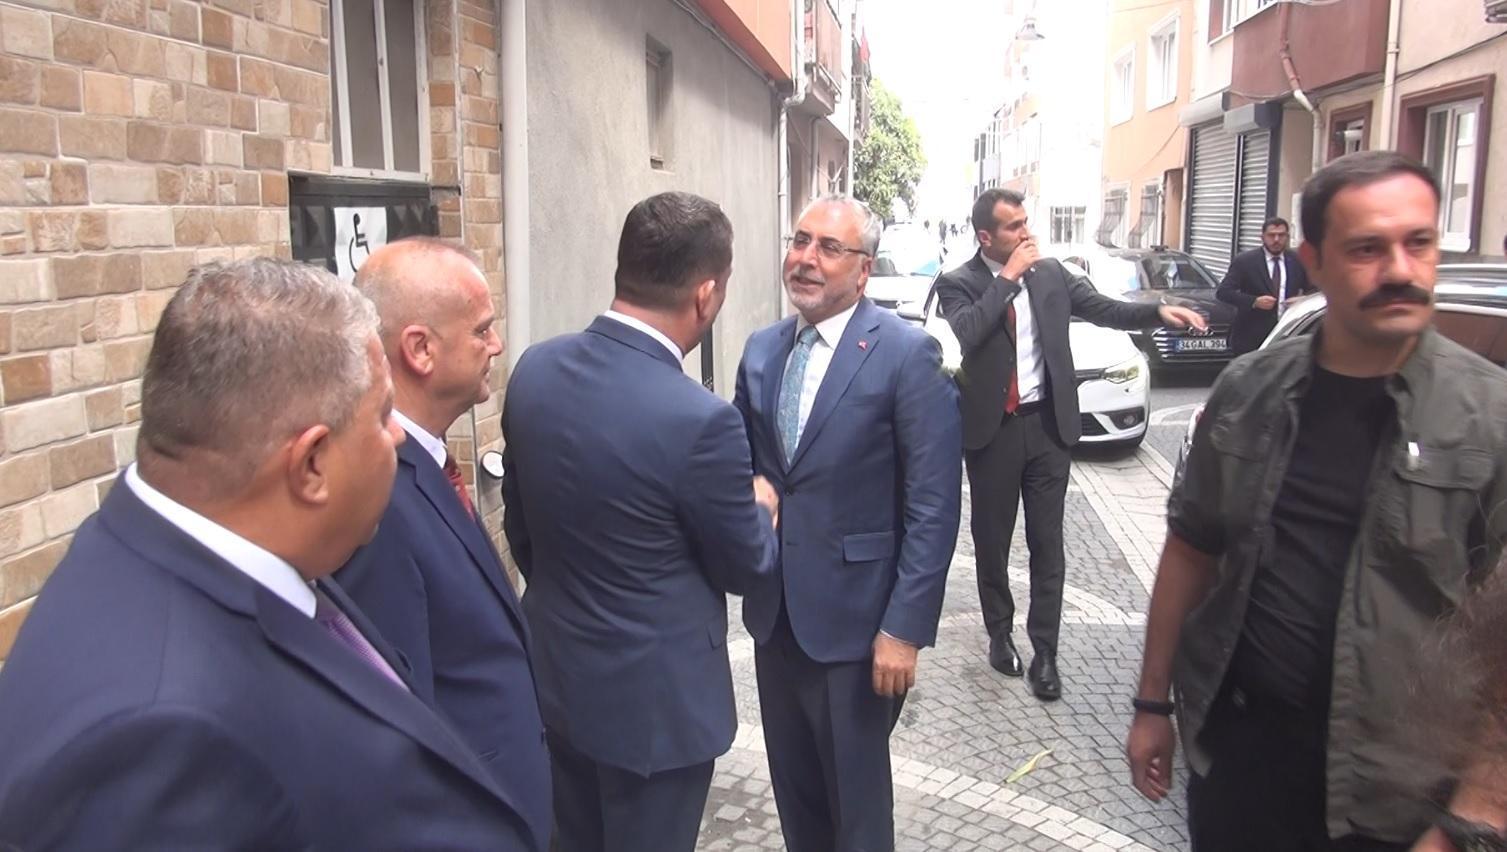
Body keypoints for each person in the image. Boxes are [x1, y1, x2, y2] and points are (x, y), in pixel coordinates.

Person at [0, 258, 533, 848]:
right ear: (311, 465)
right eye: (382, 415)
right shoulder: (157, 738)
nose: (399, 435)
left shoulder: (240, 555)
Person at [1125, 150, 1507, 851]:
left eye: (1418, 242)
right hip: (1242, 768)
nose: (1399, 269)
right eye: (1367, 249)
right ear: (1314, 262)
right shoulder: (1248, 390)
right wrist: (1152, 704)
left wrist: (1470, 820)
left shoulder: (1490, 418)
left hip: (1399, 804)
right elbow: (1191, 549)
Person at [501, 191, 779, 852]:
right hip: (654, 720)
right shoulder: (701, 420)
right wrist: (760, 507)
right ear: (706, 295)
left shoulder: (535, 369)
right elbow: (745, 566)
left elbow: (522, 530)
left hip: (554, 682)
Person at [735, 194, 962, 852]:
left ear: (863, 270)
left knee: (857, 816)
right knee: (798, 803)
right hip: (776, 619)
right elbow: (743, 465)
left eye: (829, 248)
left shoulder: (905, 354)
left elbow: (933, 504)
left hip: (859, 630)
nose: (806, 258)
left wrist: (903, 629)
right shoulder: (762, 350)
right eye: (800, 240)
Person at [934, 188, 1205, 700]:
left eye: (1026, 222)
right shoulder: (959, 282)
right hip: (993, 432)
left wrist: (1158, 312)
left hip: (1048, 428)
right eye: (1014, 227)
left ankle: (1046, 652)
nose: (1026, 233)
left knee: (1047, 543)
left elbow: (1105, 309)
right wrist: (1008, 277)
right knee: (991, 540)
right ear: (986, 237)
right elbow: (967, 333)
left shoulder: (1052, 274)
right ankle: (999, 634)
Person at [334, 238, 551, 850]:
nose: (497, 345)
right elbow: (400, 730)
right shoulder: (377, 501)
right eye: (481, 330)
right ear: (420, 349)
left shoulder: (427, 465)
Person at [1216, 216, 1317, 355]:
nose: (1276, 240)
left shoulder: (1297, 260)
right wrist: (1254, 301)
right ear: (1262, 237)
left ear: (1287, 237)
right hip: (1251, 338)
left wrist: (1303, 300)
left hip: (1288, 335)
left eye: (1281, 235)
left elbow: (1315, 291)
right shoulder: (1245, 261)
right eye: (1271, 235)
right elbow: (1224, 292)